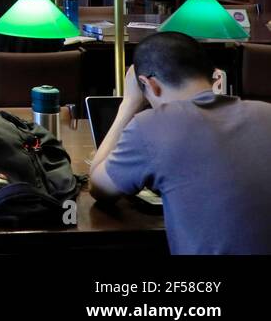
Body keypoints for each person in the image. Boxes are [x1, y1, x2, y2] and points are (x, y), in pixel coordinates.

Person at [89, 32, 271, 254]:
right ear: (214, 77)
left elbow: (98, 186)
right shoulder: (266, 113)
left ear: (150, 84)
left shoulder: (151, 125)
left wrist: (129, 103)